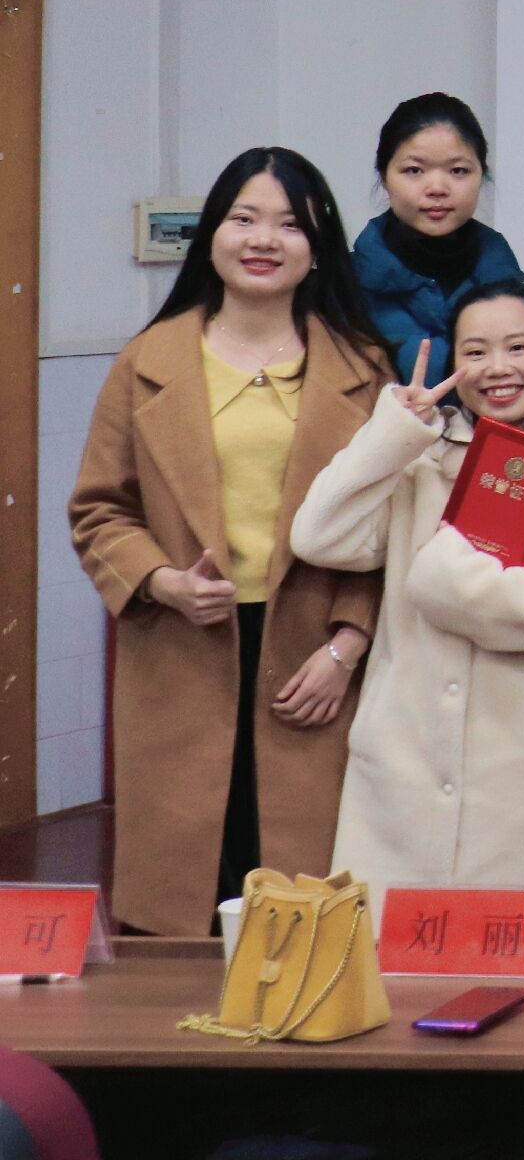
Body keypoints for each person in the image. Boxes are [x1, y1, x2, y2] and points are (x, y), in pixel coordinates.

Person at [69, 147, 387, 934]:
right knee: (183, 899)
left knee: (303, 898)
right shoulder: (147, 361)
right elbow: (100, 510)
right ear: (212, 234)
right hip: (183, 643)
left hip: (312, 654)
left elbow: (393, 528)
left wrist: (348, 646)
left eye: (289, 224)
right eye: (244, 218)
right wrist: (163, 581)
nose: (264, 239)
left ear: (319, 248)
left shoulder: (363, 369)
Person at [287, 280, 524, 933]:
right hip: (400, 766)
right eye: (476, 351)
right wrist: (394, 432)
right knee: (384, 970)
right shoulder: (422, 457)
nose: (498, 368)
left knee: (513, 972)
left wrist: (446, 578)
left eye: (518, 347)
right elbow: (319, 536)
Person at [354, 92, 523, 383]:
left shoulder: (516, 289)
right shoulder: (344, 288)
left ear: (481, 175)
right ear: (384, 176)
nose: (437, 188)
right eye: (414, 170)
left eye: (458, 170)